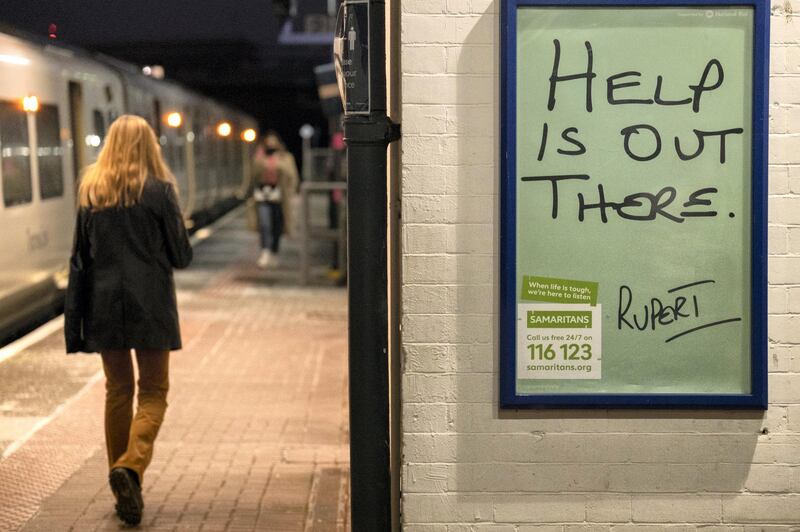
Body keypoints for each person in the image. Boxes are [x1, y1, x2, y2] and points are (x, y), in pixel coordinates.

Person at [64, 115, 192, 526]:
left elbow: (80, 257)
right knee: (153, 392)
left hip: (103, 305)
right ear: (149, 147)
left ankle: (121, 482)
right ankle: (131, 468)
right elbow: (182, 255)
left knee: (117, 391)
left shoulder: (91, 192)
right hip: (150, 303)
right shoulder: (159, 191)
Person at [250, 130, 299, 268]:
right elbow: (253, 174)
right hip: (262, 195)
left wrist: (292, 193)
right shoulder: (260, 157)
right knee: (264, 224)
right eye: (268, 142)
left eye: (273, 141)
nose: (271, 144)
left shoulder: (286, 157)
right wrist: (259, 158)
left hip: (279, 197)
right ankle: (265, 251)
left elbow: (292, 176)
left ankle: (275, 252)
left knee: (277, 226)